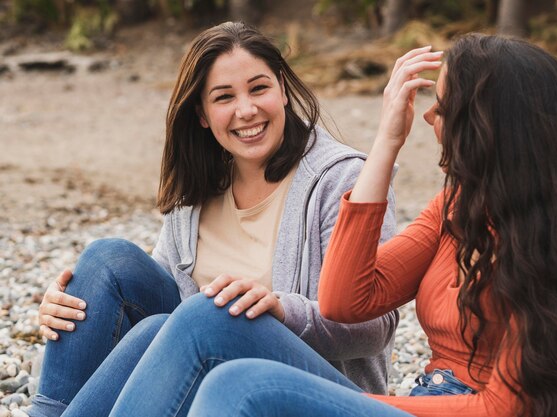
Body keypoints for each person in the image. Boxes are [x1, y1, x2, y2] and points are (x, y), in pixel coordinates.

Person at [183, 34, 557, 417]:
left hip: (452, 409)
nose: (430, 118)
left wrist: (361, 406)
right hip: (424, 401)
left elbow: (502, 409)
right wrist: (386, 142)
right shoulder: (456, 207)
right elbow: (345, 300)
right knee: (209, 326)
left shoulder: (554, 244)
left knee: (239, 387)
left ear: (490, 128)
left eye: (444, 106)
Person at [28, 21, 399, 417]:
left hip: (309, 393)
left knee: (206, 314)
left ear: (283, 91)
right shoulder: (200, 186)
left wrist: (281, 311)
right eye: (224, 97)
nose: (247, 110)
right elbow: (154, 301)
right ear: (202, 114)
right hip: (198, 379)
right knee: (107, 263)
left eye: (259, 88)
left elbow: (375, 327)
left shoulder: (343, 179)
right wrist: (72, 303)